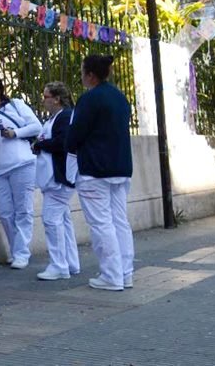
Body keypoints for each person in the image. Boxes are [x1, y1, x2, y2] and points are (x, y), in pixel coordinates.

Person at [65, 54, 134, 292]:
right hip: (120, 167)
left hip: (95, 170)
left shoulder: (90, 99)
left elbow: (75, 135)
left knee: (101, 223)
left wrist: (70, 145)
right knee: (119, 221)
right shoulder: (119, 97)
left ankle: (111, 275)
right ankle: (125, 273)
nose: (81, 76)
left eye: (83, 71)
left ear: (90, 75)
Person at [0, 73, 41, 269]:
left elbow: (36, 127)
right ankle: (17, 250)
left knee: (23, 209)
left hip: (22, 163)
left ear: (0, 88)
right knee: (6, 213)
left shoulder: (15, 105)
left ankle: (21, 253)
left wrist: (15, 133)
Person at [31, 82, 81, 280]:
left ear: (57, 99)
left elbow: (62, 143)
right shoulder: (57, 117)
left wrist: (40, 144)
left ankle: (58, 265)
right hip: (55, 176)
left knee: (51, 220)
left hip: (59, 177)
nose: (43, 100)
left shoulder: (65, 116)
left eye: (46, 97)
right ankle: (70, 262)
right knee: (63, 220)